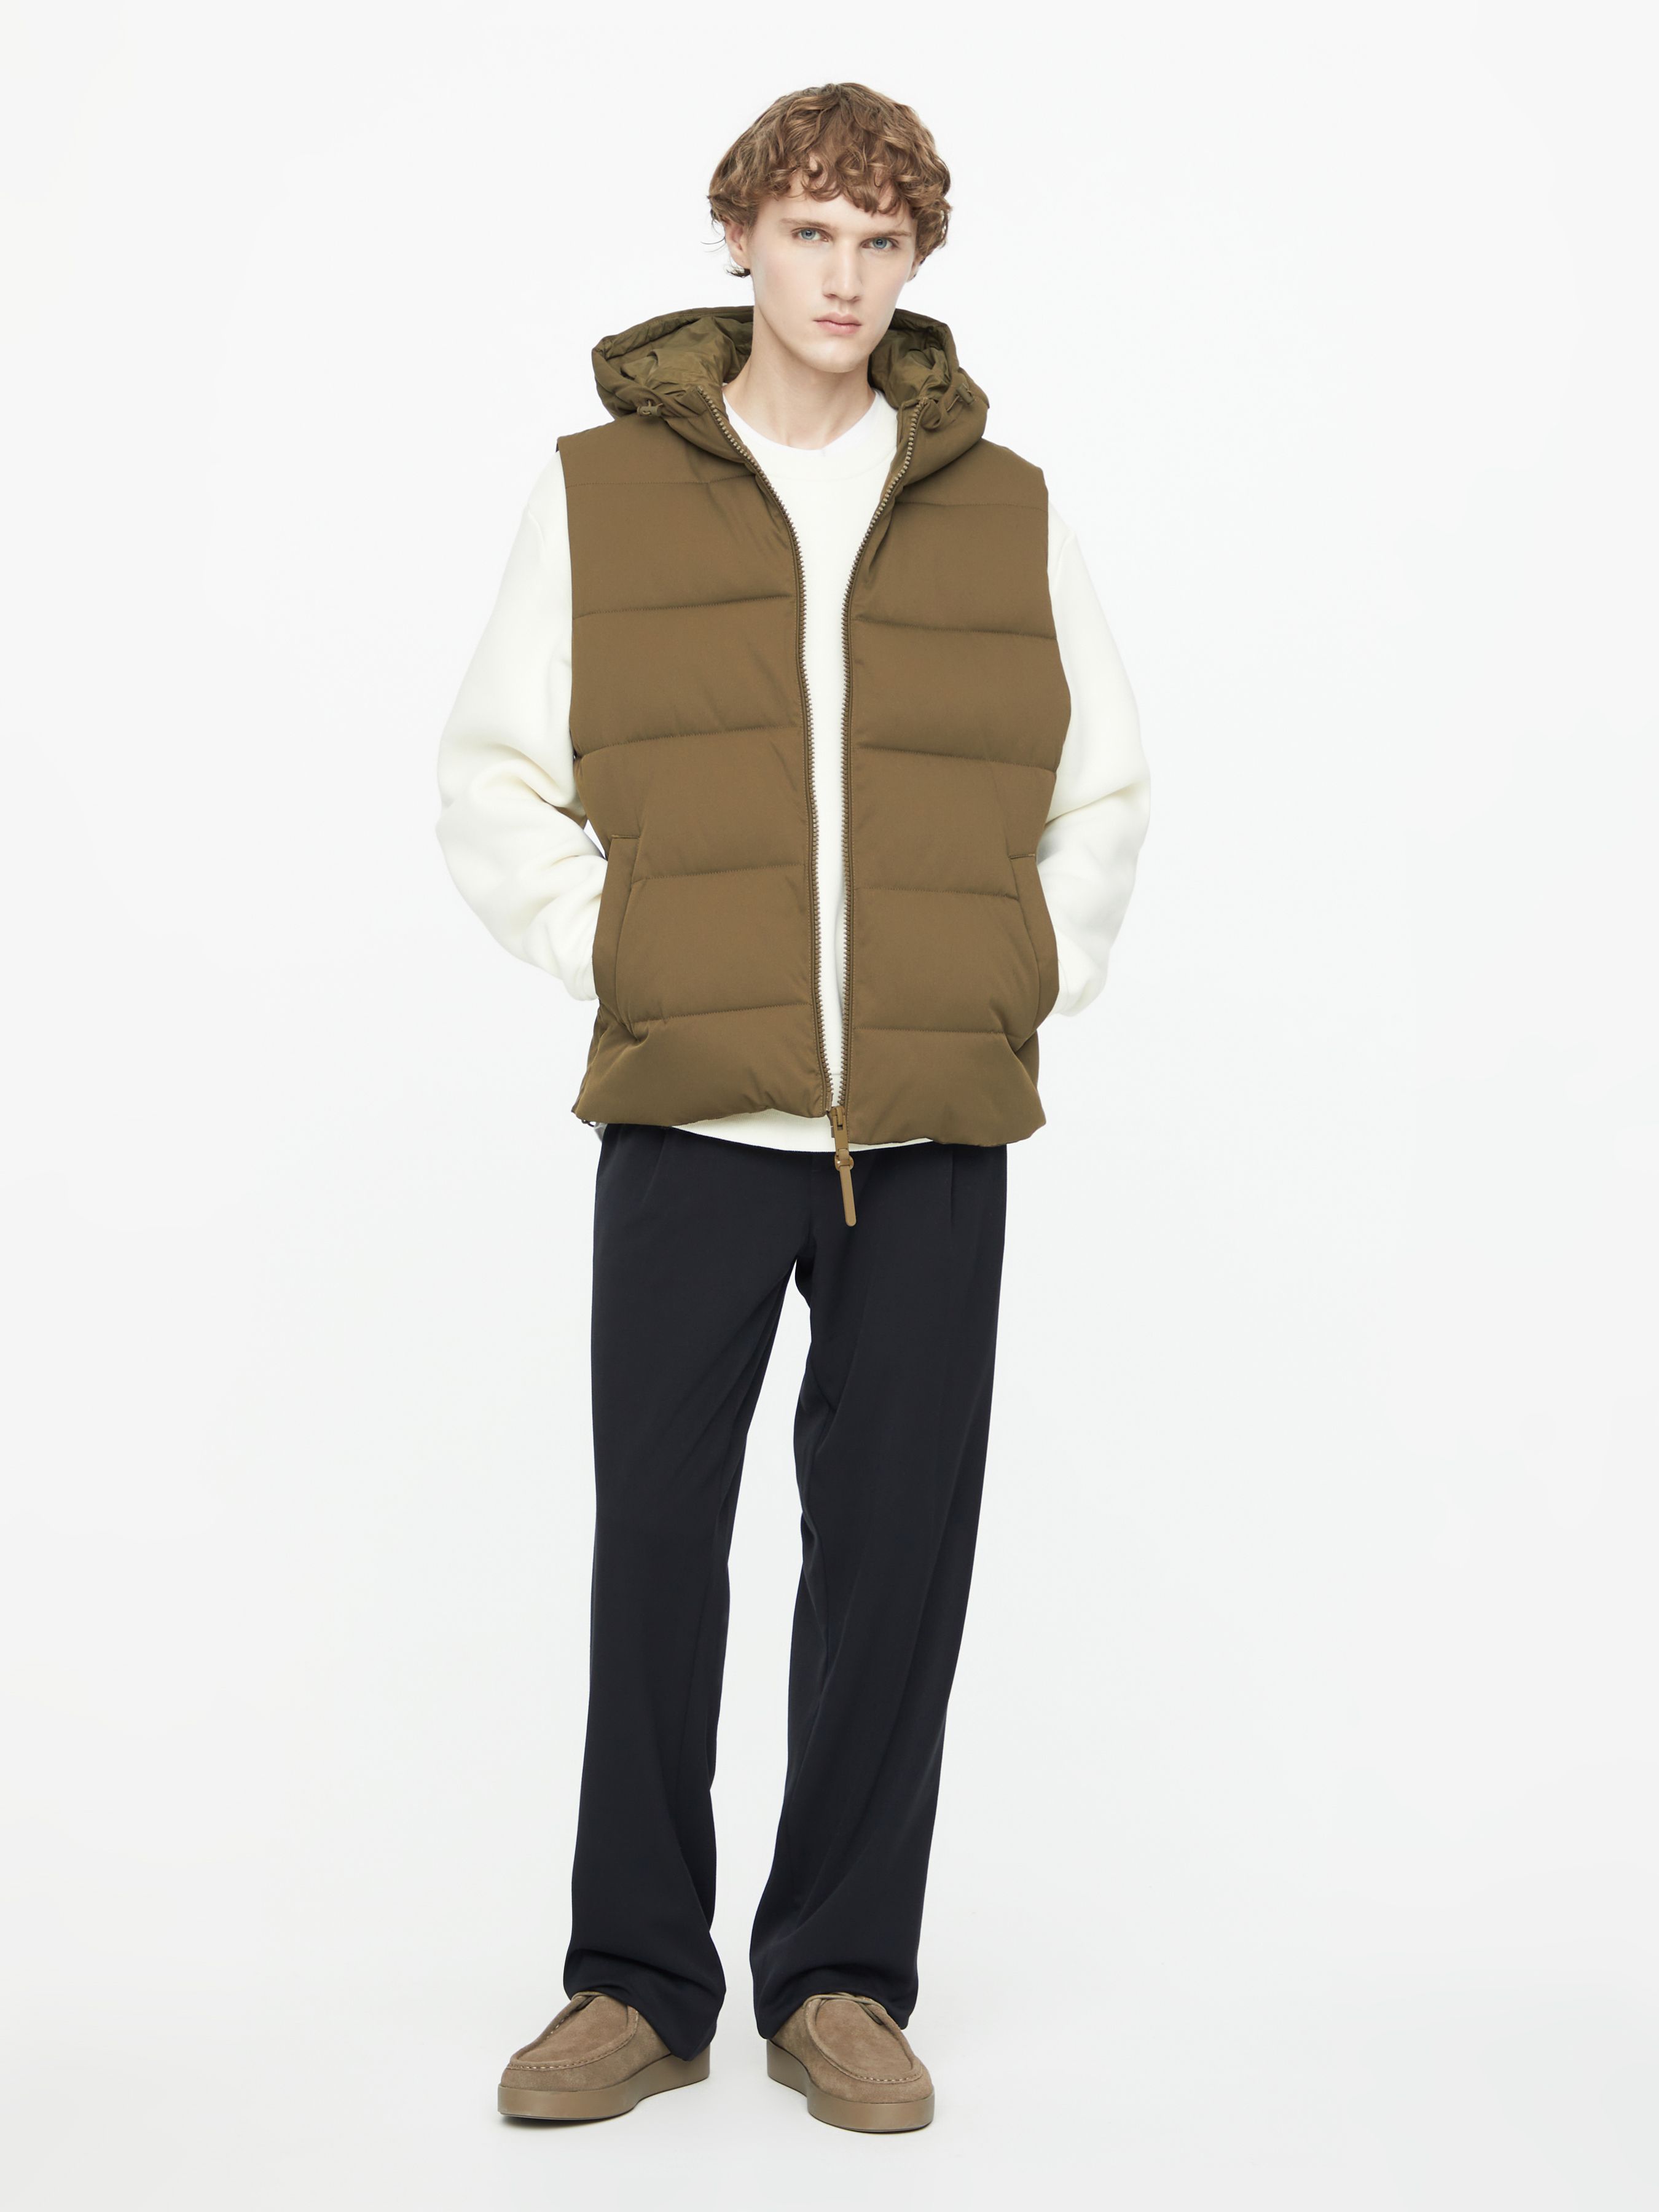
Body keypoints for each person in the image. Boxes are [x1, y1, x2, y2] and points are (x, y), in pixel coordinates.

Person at [434, 80, 1150, 2133]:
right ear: (740, 238)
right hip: (694, 1112)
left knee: (894, 1561)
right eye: (809, 231)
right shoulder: (600, 493)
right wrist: (629, 953)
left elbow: (1101, 788)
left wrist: (1010, 978)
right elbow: (492, 777)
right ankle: (633, 1983)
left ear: (914, 262)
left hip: (928, 1123)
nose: (842, 275)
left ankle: (837, 1979)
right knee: (657, 1548)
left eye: (878, 240)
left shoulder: (1003, 506)